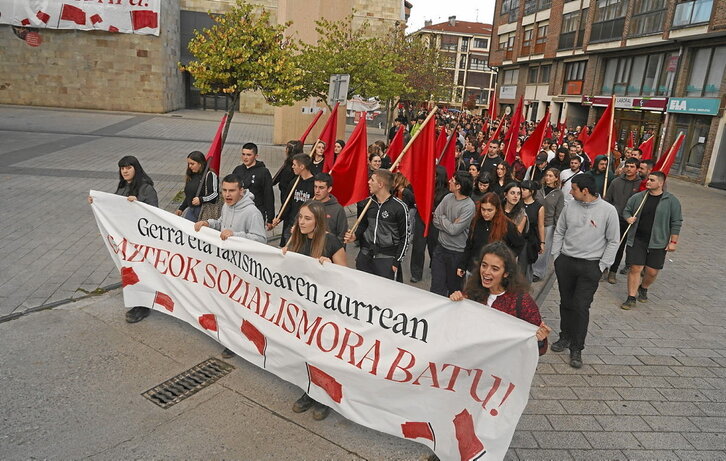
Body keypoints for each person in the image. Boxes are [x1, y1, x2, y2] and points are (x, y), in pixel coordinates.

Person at [284, 200, 346, 421]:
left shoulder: (331, 242)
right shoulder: (297, 241)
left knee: (323, 357)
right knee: (306, 354)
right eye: (300, 217)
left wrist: (330, 267)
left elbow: (348, 278)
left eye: (307, 218)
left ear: (318, 222)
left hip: (326, 313)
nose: (302, 221)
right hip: (303, 310)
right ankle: (310, 391)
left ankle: (324, 397)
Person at [550, 174, 619, 368]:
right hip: (566, 262)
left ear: (585, 191)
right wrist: (557, 256)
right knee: (566, 302)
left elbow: (614, 240)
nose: (570, 192)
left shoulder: (608, 211)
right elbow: (560, 230)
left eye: (573, 189)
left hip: (590, 266)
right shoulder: (569, 206)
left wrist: (602, 265)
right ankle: (564, 336)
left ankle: (577, 348)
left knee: (581, 306)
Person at [88, 155, 158, 324]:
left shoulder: (146, 188)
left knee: (141, 270)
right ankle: (137, 300)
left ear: (136, 169)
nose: (125, 171)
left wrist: (139, 203)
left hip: (141, 241)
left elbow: (155, 213)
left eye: (128, 167)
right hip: (125, 240)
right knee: (130, 271)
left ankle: (143, 305)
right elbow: (113, 206)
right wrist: (97, 203)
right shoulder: (122, 187)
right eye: (122, 168)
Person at [449, 241, 550, 349]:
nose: (486, 272)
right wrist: (455, 303)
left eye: (495, 269)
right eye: (484, 265)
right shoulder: (471, 293)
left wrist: (540, 339)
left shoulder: (522, 302)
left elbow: (537, 348)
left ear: (506, 273)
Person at [620, 171, 682, 310]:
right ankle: (631, 297)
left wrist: (673, 242)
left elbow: (676, 222)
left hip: (658, 241)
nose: (648, 182)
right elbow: (627, 210)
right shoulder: (638, 197)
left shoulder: (671, 201)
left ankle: (644, 287)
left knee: (652, 272)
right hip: (637, 239)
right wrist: (628, 218)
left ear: (660, 183)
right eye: (648, 179)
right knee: (635, 268)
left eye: (652, 180)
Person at [345, 169, 409, 280]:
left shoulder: (399, 207)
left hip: (386, 258)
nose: (369, 182)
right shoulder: (368, 203)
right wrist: (355, 236)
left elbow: (405, 237)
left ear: (380, 184)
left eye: (372, 180)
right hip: (366, 255)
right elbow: (363, 225)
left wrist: (396, 261)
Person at [430, 172, 476, 296]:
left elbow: (454, 230)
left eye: (452, 180)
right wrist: (448, 222)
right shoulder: (447, 198)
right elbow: (435, 219)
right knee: (436, 288)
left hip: (457, 254)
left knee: (453, 290)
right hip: (440, 250)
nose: (449, 181)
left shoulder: (469, 206)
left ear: (458, 186)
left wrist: (442, 219)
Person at [459, 192, 525, 276]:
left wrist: (505, 259)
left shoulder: (507, 225)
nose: (486, 213)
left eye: (489, 210)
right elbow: (469, 245)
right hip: (474, 269)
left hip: (494, 273)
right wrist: (462, 265)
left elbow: (519, 244)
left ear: (497, 209)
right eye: (483, 209)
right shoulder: (476, 221)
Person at [603, 157, 641, 283]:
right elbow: (608, 199)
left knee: (620, 246)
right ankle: (604, 268)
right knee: (608, 243)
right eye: (627, 166)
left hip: (629, 221)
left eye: (632, 167)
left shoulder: (640, 185)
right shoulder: (615, 182)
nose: (629, 169)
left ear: (637, 169)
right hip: (614, 218)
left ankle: (613, 271)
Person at [410, 166, 448, 283]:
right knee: (418, 247)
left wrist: (432, 210)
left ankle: (435, 267)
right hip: (422, 219)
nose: (433, 177)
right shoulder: (424, 185)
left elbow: (444, 209)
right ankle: (416, 273)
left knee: (434, 247)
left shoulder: (446, 193)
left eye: (435, 175)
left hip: (435, 223)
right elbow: (413, 197)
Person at [271, 153, 315, 247]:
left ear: (302, 166)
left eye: (294, 165)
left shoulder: (314, 185)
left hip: (305, 227)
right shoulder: (294, 182)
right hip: (291, 225)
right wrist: (279, 217)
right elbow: (287, 203)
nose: (292, 167)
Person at [232, 142, 275, 228]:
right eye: (243, 154)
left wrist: (270, 218)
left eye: (248, 155)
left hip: (256, 211)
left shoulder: (263, 172)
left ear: (256, 156)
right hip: (239, 210)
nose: (245, 157)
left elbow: (268, 195)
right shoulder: (238, 170)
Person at [532, 168, 564, 282]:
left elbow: (559, 212)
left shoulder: (559, 194)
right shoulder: (539, 190)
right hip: (535, 223)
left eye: (551, 176)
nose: (548, 178)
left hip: (548, 224)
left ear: (556, 178)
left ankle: (538, 272)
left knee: (544, 250)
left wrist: (557, 229)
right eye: (547, 175)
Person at [176, 151, 219, 222]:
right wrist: (181, 208)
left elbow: (215, 194)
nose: (190, 166)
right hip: (192, 210)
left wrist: (201, 199)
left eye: (192, 164)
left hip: (205, 211)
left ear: (200, 164)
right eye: (189, 164)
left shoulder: (210, 175)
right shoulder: (191, 175)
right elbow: (190, 196)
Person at [312, 172, 348, 245]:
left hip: (328, 252)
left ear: (329, 189)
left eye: (321, 187)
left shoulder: (338, 209)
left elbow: (342, 236)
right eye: (315, 187)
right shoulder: (308, 205)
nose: (317, 191)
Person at [520, 180, 545, 281]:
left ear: (531, 191)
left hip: (530, 239)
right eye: (521, 189)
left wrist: (542, 242)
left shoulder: (539, 207)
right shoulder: (518, 203)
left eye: (524, 189)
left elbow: (541, 225)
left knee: (526, 265)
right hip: (517, 238)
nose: (521, 191)